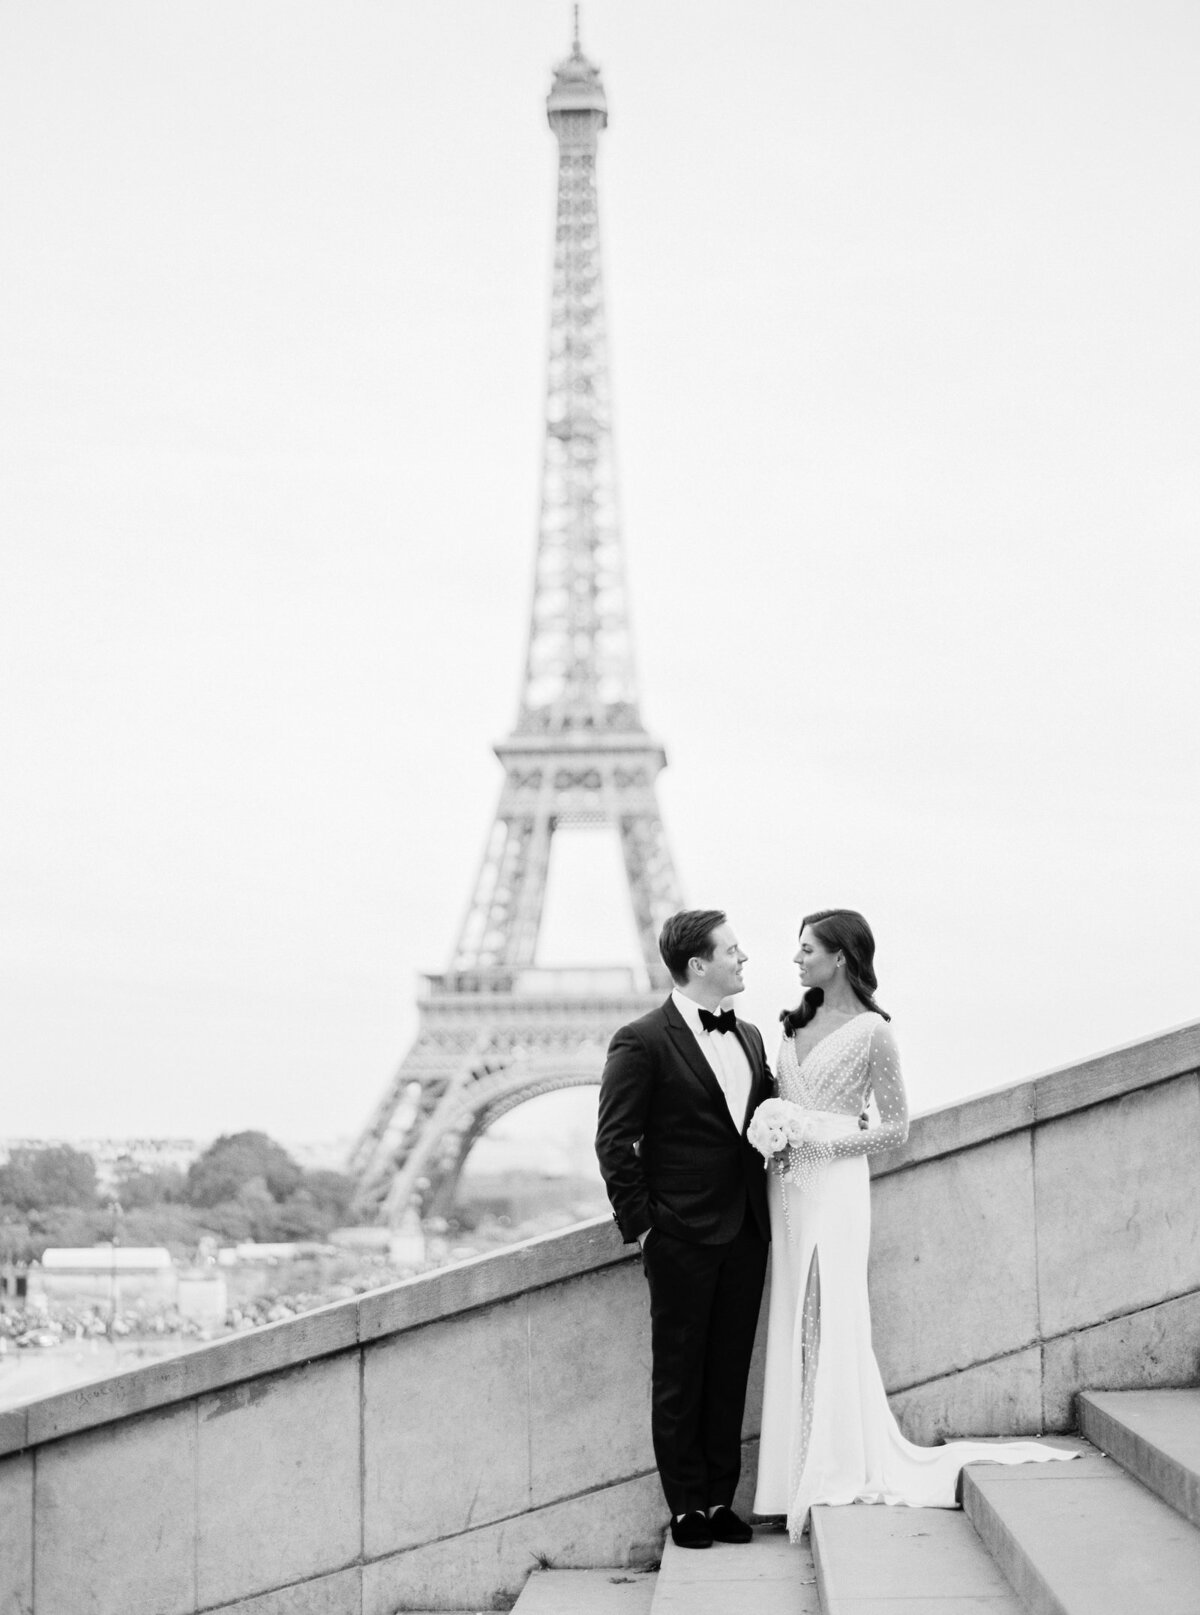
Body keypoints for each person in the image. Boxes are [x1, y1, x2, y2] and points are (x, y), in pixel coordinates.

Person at [753, 908, 1077, 1540]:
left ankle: (828, 1465)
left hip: (836, 1188)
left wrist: (819, 1146)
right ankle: (793, 1471)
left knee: (827, 1314)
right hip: (786, 1188)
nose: (795, 961)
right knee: (795, 1314)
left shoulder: (874, 1032)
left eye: (806, 949)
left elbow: (897, 1130)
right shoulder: (792, 1023)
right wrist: (778, 1134)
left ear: (840, 957)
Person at [596, 909, 772, 1551]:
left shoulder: (751, 1036)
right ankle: (686, 1509)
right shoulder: (640, 1040)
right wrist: (645, 1229)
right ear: (699, 965)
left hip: (746, 1231)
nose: (743, 958)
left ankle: (722, 1499)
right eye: (733, 949)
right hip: (679, 1236)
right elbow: (615, 1142)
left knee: (729, 1371)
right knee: (679, 1375)